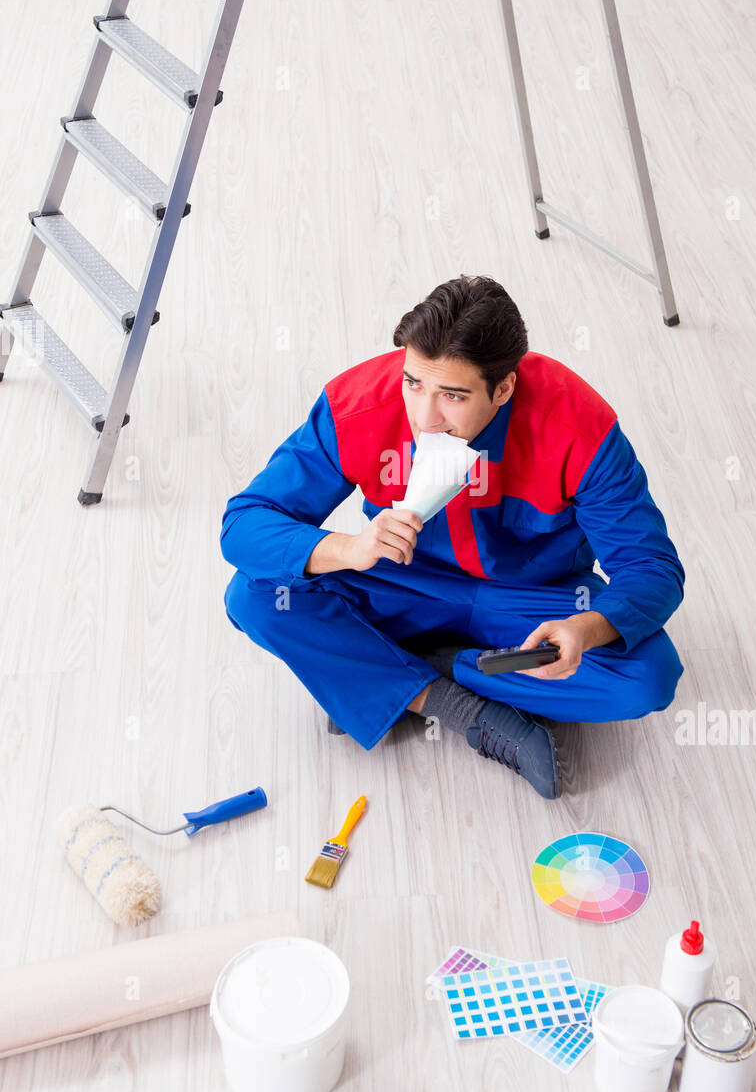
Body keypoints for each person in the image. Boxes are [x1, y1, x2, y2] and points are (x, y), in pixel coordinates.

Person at [220, 275, 685, 799]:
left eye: (452, 396)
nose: (424, 417)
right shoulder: (359, 403)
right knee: (256, 595)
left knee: (649, 677)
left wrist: (587, 627)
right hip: (403, 582)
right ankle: (454, 705)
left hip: (530, 601)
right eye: (413, 383)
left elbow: (651, 568)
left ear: (504, 388)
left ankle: (395, 670)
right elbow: (244, 523)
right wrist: (350, 547)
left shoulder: (578, 426)